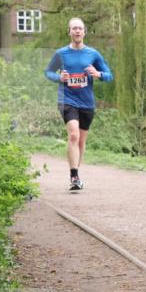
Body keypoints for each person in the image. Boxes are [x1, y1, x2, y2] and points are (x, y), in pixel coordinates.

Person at [44, 17, 113, 191]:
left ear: (84, 32)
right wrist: (59, 77)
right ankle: (74, 177)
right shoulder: (61, 54)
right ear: (69, 32)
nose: (77, 31)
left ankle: (77, 174)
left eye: (80, 28)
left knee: (81, 141)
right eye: (74, 28)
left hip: (87, 102)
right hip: (67, 100)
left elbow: (109, 75)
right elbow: (48, 72)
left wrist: (98, 74)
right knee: (73, 135)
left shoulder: (93, 54)